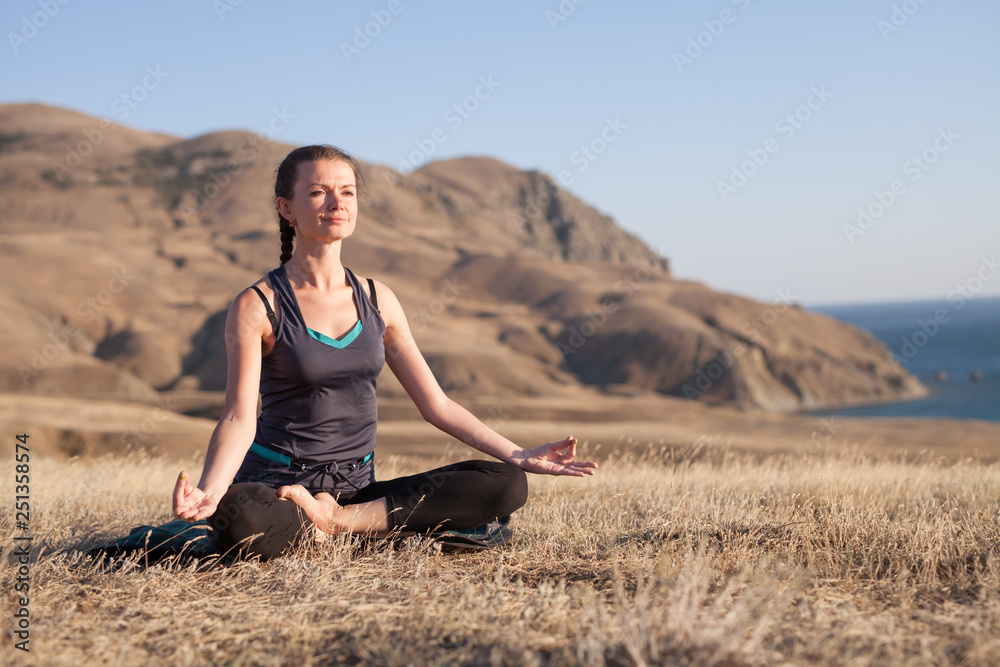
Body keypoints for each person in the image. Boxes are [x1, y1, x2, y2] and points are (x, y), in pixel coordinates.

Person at [172, 144, 597, 560]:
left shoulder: (378, 299)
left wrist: (519, 454)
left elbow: (437, 405)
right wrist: (210, 491)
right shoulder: (258, 305)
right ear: (287, 209)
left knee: (505, 483)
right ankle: (343, 528)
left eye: (348, 191)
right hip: (279, 489)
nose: (337, 202)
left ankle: (336, 524)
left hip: (358, 493)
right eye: (319, 192)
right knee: (237, 515)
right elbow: (238, 416)